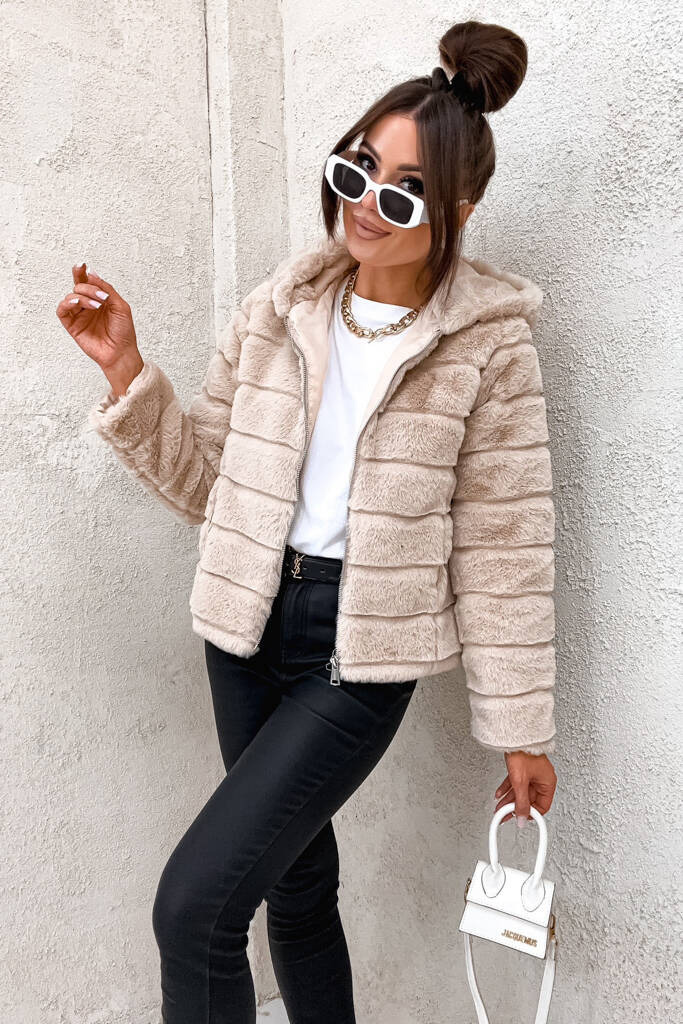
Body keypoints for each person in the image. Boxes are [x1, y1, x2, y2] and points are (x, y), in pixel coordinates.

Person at [56, 19, 558, 1024]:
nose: (366, 202)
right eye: (357, 166)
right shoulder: (277, 307)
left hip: (356, 656)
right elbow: (211, 486)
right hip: (244, 626)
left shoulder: (487, 348)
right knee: (294, 888)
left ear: (455, 211)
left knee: (194, 908)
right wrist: (127, 373)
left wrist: (519, 727)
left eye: (402, 190)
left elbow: (504, 545)